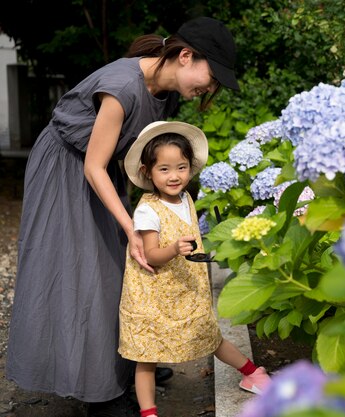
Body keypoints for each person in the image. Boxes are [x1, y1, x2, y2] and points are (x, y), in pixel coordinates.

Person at [6, 16, 241, 417]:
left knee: (121, 270)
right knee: (84, 274)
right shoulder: (121, 89)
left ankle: (132, 362)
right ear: (186, 56)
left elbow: (141, 159)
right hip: (67, 168)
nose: (211, 88)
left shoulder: (164, 92)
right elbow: (93, 167)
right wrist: (132, 228)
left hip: (101, 171)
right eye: (212, 76)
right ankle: (101, 394)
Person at [120, 120, 270, 417]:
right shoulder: (148, 209)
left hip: (186, 287)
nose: (174, 176)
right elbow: (151, 254)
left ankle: (253, 373)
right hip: (153, 295)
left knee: (209, 334)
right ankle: (148, 413)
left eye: (181, 167)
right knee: (146, 354)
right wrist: (174, 248)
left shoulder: (186, 197)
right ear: (147, 172)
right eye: (164, 169)